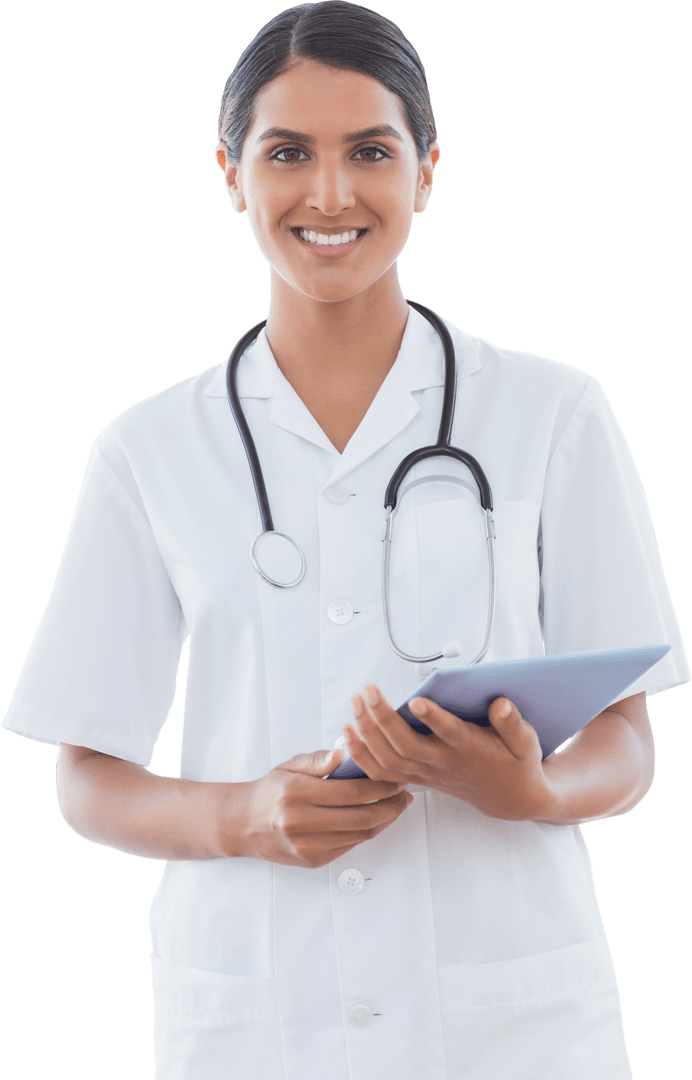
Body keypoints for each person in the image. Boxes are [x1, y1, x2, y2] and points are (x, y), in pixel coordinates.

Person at [1, 2, 689, 1077]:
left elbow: (627, 743)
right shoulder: (147, 448)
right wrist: (243, 816)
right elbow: (86, 777)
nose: (329, 194)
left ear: (424, 172)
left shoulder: (554, 413)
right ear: (231, 173)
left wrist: (535, 793)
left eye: (370, 150)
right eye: (287, 154)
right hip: (258, 1013)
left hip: (508, 1021)